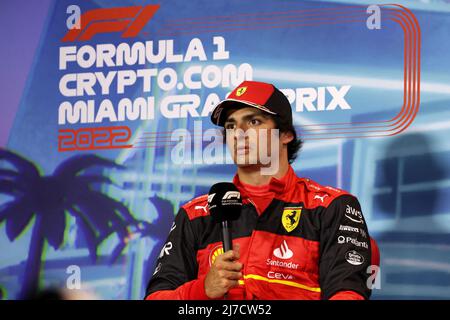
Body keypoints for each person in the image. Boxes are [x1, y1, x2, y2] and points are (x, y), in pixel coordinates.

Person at [145, 80, 375, 300]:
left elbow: (348, 292)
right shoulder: (196, 214)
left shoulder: (331, 206)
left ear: (286, 134)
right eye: (231, 126)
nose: (239, 133)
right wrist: (202, 289)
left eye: (253, 122)